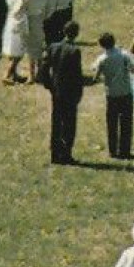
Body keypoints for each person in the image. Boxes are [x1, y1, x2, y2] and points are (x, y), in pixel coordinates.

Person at [38, 20, 85, 165]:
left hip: (56, 90)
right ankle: (66, 153)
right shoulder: (75, 51)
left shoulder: (53, 47)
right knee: (69, 123)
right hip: (70, 92)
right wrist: (79, 92)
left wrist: (49, 85)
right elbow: (77, 75)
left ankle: (55, 153)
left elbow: (44, 68)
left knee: (56, 121)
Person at [93, 33, 134, 160]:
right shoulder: (123, 55)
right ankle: (125, 150)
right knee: (126, 122)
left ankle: (113, 150)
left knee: (112, 123)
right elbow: (133, 69)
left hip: (111, 94)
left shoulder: (102, 59)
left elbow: (96, 77)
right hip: (125, 92)